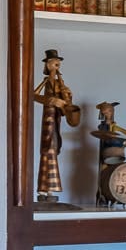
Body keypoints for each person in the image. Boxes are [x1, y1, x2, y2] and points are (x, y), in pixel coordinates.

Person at [29, 49, 80, 202]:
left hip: (55, 121)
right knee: (47, 150)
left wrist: (67, 98)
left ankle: (49, 189)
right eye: (53, 62)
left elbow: (67, 107)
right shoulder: (46, 82)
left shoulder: (60, 84)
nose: (57, 64)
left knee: (53, 149)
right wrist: (51, 101)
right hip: (47, 120)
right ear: (47, 65)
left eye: (58, 62)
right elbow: (32, 95)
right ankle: (44, 189)